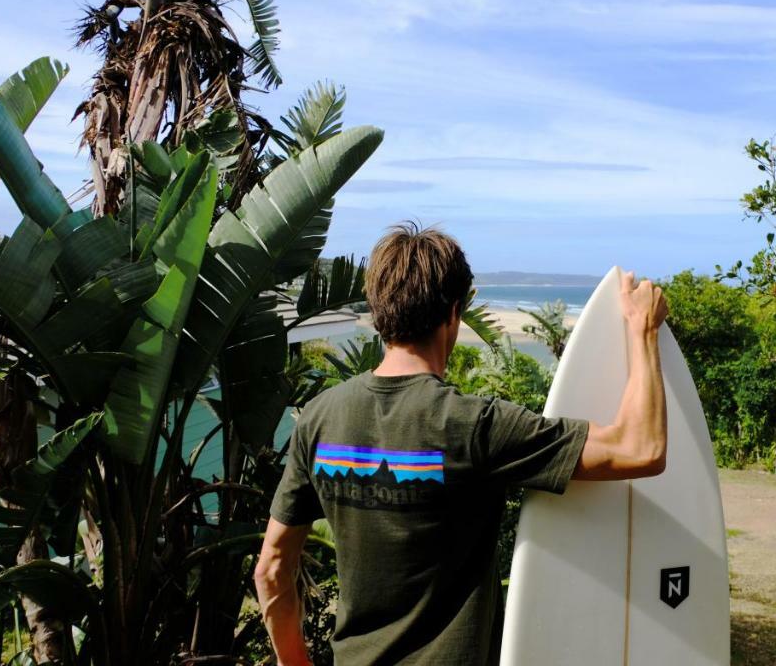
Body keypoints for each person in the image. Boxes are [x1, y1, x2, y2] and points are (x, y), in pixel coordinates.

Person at [255, 222, 669, 665]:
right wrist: (641, 329)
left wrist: (293, 662)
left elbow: (272, 569)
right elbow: (639, 448)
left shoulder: (319, 417)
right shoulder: (473, 425)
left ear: (379, 311)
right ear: (453, 313)